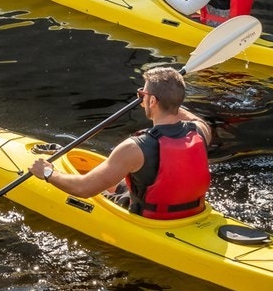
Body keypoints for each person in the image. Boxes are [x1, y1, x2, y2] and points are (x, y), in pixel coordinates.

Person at [28, 66, 212, 219]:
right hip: (192, 213)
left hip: (149, 219)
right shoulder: (201, 131)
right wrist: (170, 99)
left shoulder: (134, 148)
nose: (140, 99)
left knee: (96, 190)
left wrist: (48, 172)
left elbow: (83, 188)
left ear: (152, 101)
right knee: (120, 183)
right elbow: (189, 116)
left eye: (142, 94)